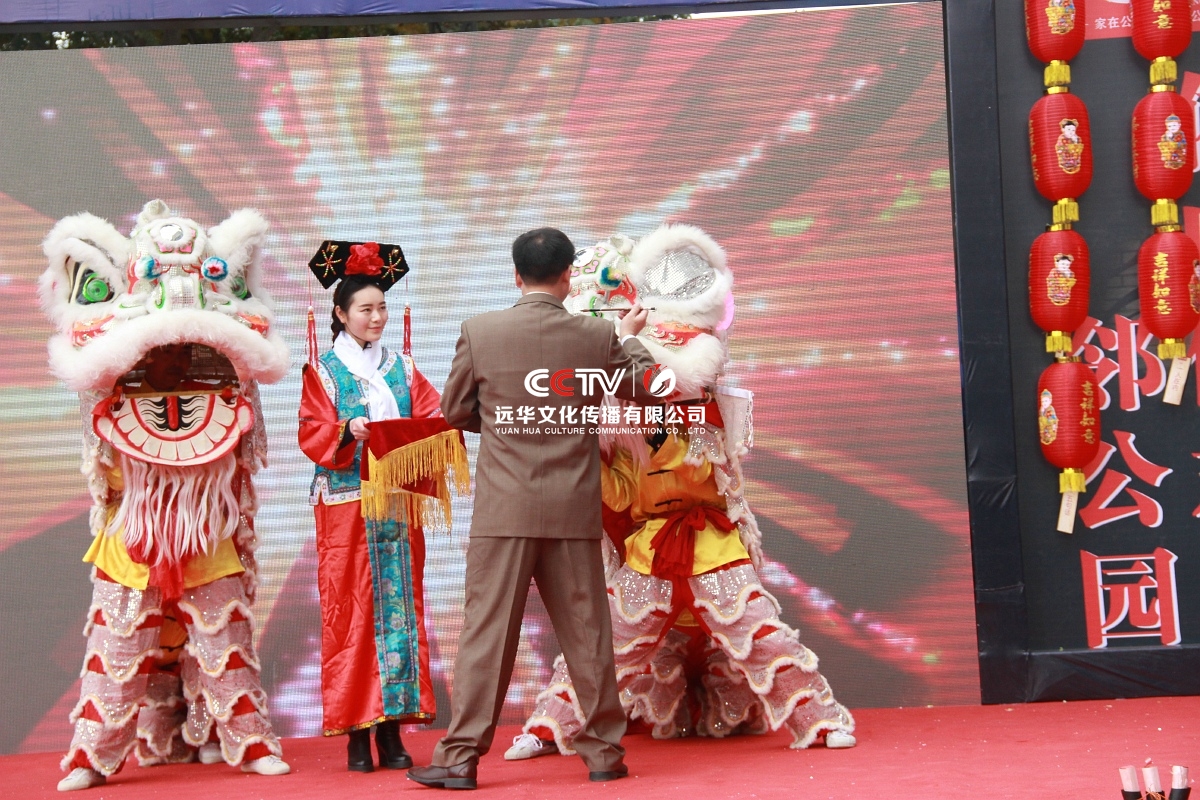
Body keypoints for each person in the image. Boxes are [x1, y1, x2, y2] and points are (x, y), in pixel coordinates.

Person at [505, 225, 856, 760]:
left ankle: (821, 723)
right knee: (608, 647)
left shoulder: (698, 388)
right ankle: (549, 729)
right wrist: (580, 453)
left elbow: (694, 445)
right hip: (650, 547)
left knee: (761, 634)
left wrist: (639, 374)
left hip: (709, 540)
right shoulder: (622, 420)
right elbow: (622, 494)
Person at [41, 201, 293, 792]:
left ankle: (247, 742)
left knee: (224, 640)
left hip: (208, 531)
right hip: (132, 537)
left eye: (186, 352)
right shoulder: (111, 405)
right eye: (161, 354)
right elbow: (104, 465)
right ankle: (93, 756)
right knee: (118, 644)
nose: (175, 363)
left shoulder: (224, 402)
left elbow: (240, 452)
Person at [406, 227, 658, 790]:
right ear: (568, 276)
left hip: (504, 509)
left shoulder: (480, 331)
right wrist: (629, 338)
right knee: (588, 634)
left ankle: (460, 758)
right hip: (572, 508)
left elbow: (455, 410)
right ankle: (604, 754)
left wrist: (503, 425)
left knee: (486, 635)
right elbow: (648, 388)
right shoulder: (597, 336)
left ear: (515, 275)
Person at [299, 243, 442, 773]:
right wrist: (346, 429)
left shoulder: (403, 366)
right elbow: (311, 432)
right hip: (346, 508)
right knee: (352, 615)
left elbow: (430, 415)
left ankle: (392, 729)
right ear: (341, 314)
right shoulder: (323, 371)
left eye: (382, 307)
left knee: (400, 614)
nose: (377, 317)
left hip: (396, 506)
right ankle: (356, 733)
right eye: (366, 309)